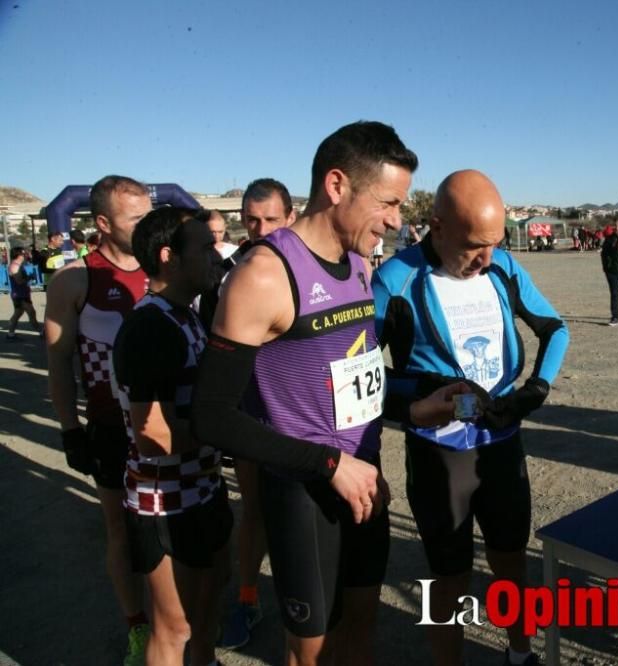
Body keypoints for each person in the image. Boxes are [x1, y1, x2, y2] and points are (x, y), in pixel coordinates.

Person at [191, 121, 461, 666]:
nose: (396, 219)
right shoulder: (265, 274)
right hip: (305, 494)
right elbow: (211, 416)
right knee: (310, 654)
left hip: (363, 478)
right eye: (387, 202)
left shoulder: (361, 265)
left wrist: (407, 409)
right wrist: (329, 464)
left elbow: (345, 380)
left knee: (360, 632)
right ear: (337, 185)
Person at [373, 169, 570, 666]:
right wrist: (416, 397)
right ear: (436, 227)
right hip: (440, 454)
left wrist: (537, 388)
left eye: (494, 243)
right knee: (449, 574)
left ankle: (520, 653)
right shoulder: (395, 279)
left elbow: (556, 329)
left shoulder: (502, 267)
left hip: (502, 443)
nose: (485, 258)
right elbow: (357, 372)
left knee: (509, 559)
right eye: (473, 247)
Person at [112, 206, 231, 666]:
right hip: (164, 501)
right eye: (205, 247)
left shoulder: (187, 315)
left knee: (205, 612)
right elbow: (151, 435)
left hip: (203, 488)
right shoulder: (149, 326)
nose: (216, 255)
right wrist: (232, 430)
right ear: (169, 257)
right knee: (174, 627)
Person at [44, 175, 154, 665]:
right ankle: (136, 628)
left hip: (165, 426)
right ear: (104, 224)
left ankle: (174, 622)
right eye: (137, 219)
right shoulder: (74, 279)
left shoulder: (165, 266)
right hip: (111, 430)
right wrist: (70, 429)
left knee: (168, 530)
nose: (148, 225)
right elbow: (58, 363)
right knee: (119, 530)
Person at [213, 177, 297, 650]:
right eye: (252, 219)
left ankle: (303, 598)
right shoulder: (229, 268)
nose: (261, 228)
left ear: (289, 217)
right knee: (254, 510)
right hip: (249, 410)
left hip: (300, 414)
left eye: (271, 219)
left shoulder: (308, 265)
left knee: (298, 513)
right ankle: (248, 598)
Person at [6, 247, 41, 340]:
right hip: (20, 295)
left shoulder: (17, 265)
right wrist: (30, 277)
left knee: (18, 313)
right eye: (23, 254)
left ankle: (10, 334)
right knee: (31, 312)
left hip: (20, 294)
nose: (25, 255)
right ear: (18, 255)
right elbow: (19, 281)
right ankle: (42, 332)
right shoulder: (15, 266)